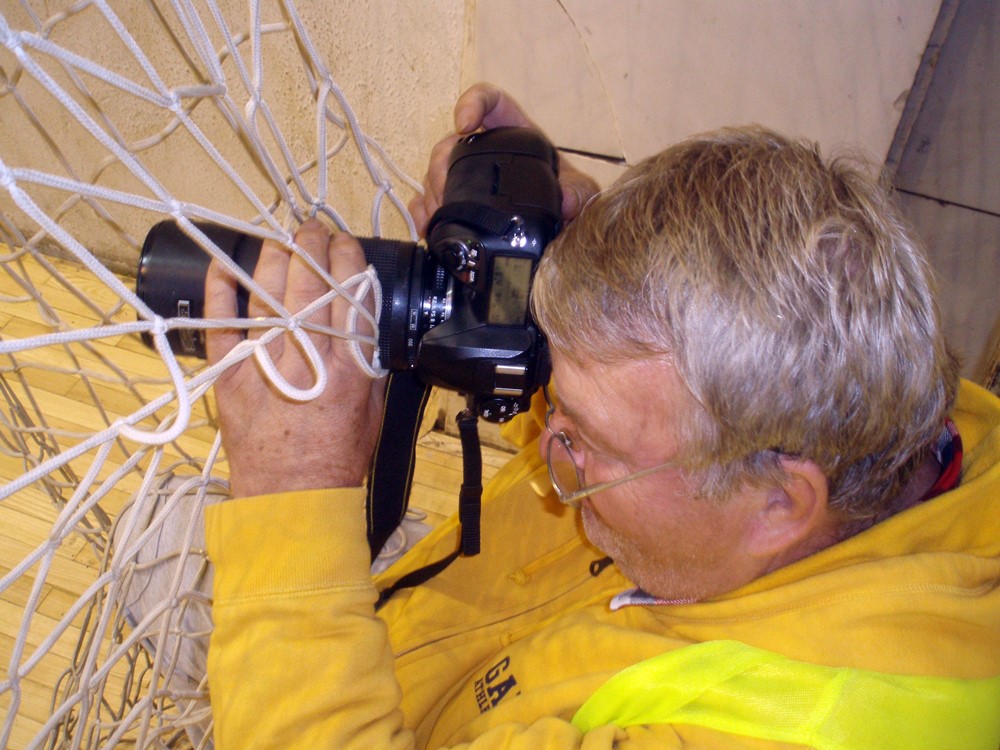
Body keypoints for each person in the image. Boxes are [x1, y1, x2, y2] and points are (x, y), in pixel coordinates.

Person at [201, 83, 1000, 748]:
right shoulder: (877, 405)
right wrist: (536, 279)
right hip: (413, 636)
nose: (546, 442)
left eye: (584, 439)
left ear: (780, 503)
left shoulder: (803, 725)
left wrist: (294, 490)